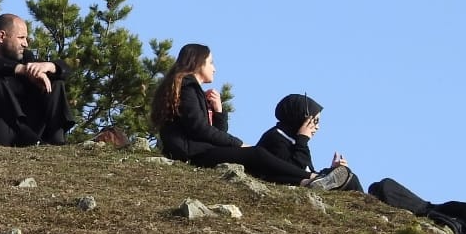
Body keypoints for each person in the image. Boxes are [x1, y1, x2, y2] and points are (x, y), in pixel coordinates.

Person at [150, 44, 353, 190]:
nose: (214, 67)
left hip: (196, 151)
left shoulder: (189, 89)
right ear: (198, 63)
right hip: (190, 153)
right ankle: (315, 177)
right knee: (257, 155)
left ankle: (306, 182)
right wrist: (239, 144)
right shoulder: (187, 87)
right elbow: (200, 130)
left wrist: (219, 111)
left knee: (258, 165)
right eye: (211, 62)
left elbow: (214, 134)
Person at [0, 14, 75, 146]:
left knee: (54, 82)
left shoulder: (26, 57)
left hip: (19, 134)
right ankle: (26, 134)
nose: (25, 44)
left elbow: (66, 71)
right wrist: (20, 69)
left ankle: (57, 140)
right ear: (2, 36)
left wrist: (51, 66)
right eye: (21, 38)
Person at [256, 94, 363, 191]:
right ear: (301, 116)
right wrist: (302, 140)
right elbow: (294, 170)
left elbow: (306, 170)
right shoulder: (276, 137)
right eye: (314, 121)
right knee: (351, 180)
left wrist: (333, 171)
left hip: (301, 183)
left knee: (348, 176)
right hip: (288, 185)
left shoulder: (293, 138)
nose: (317, 127)